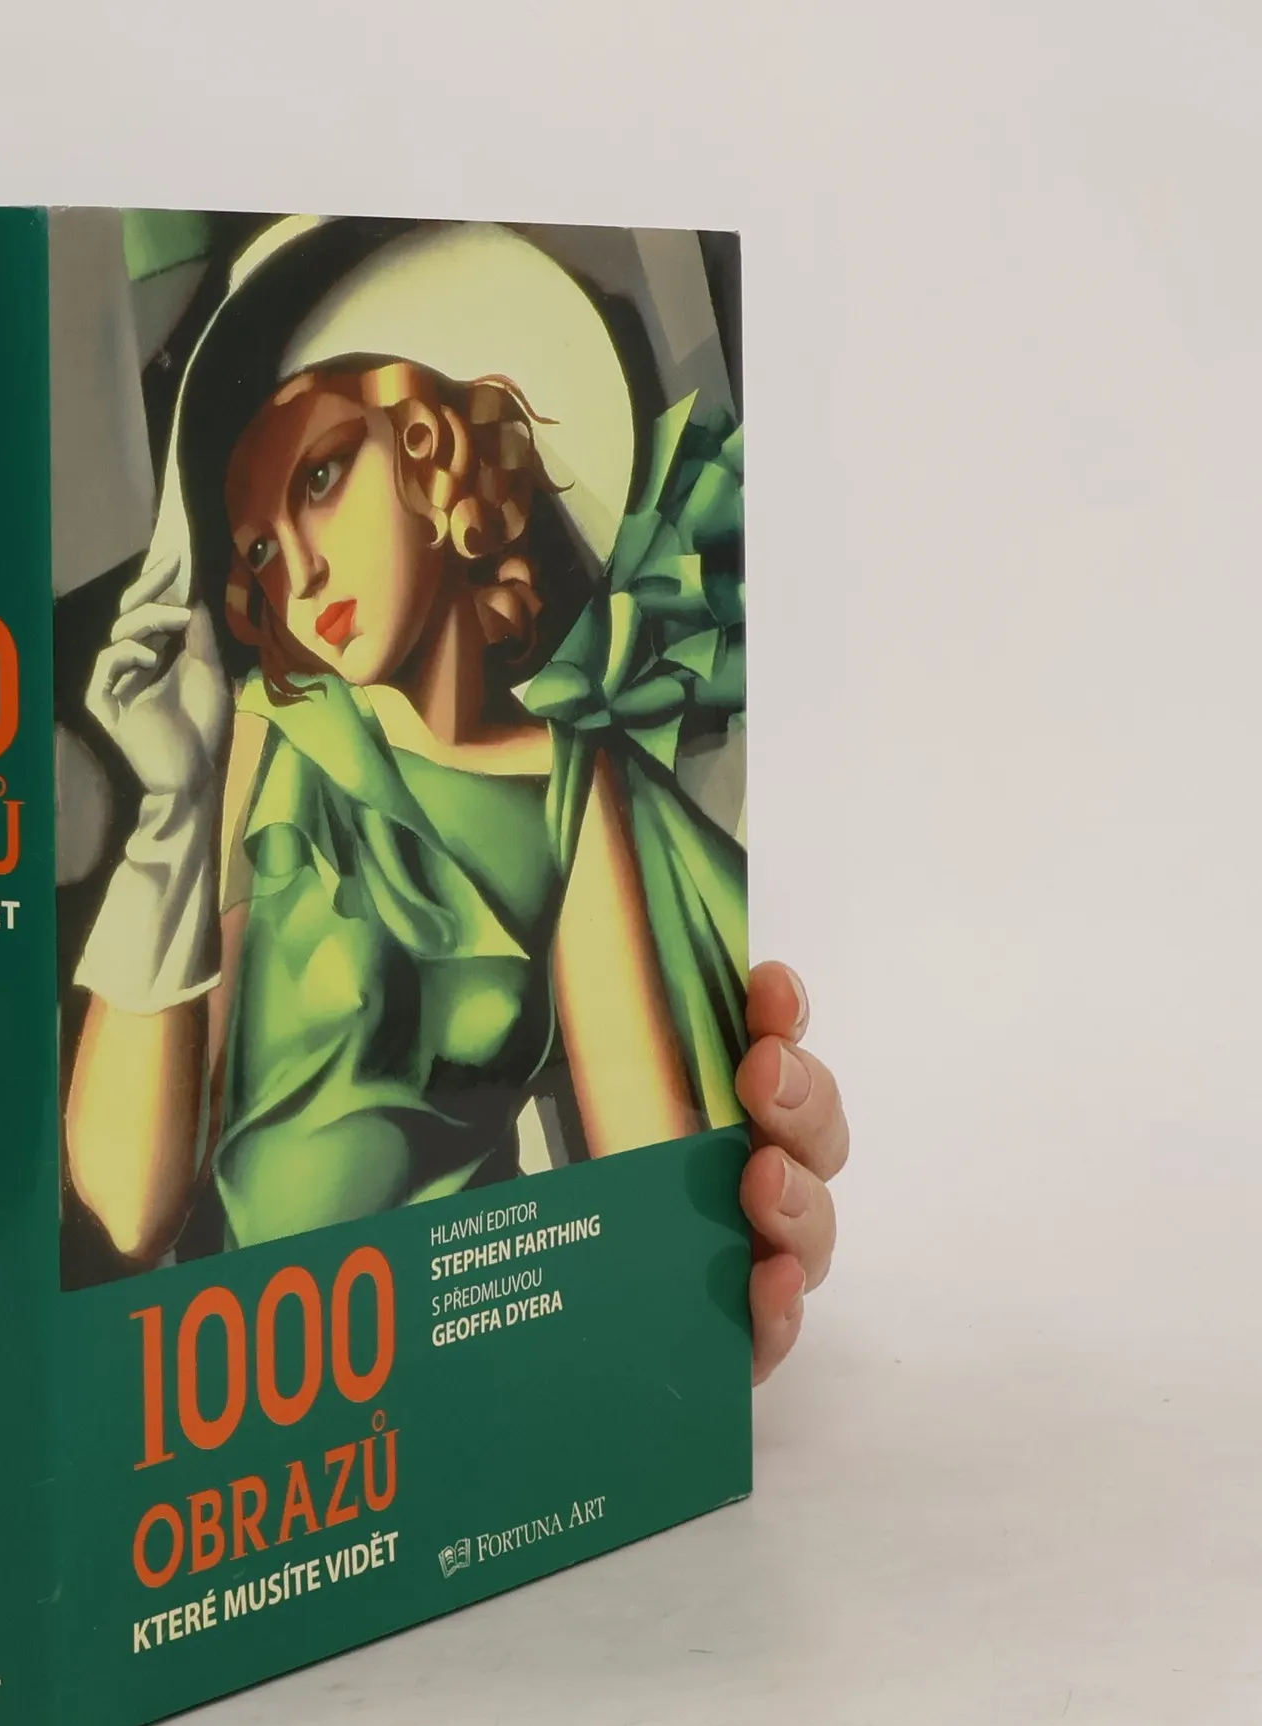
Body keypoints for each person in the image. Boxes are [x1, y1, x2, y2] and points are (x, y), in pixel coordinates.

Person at [65, 219, 845, 1382]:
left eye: (321, 477)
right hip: (237, 1392)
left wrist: (694, 1343)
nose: (298, 570)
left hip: (459, 1362)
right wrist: (172, 811)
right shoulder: (262, 742)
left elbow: (646, 1170)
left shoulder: (575, 786)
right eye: (261, 547)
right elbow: (126, 1212)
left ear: (433, 448)